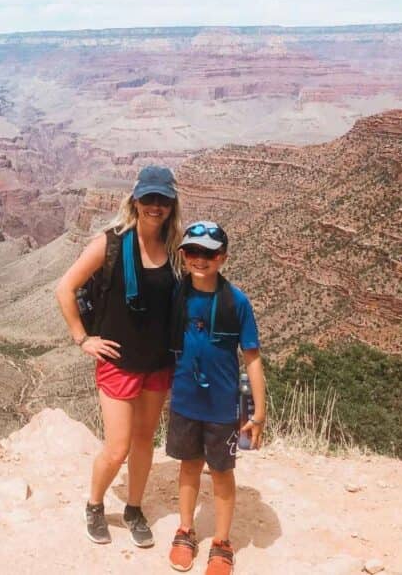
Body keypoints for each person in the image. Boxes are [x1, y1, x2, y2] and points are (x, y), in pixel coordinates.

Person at [54, 165, 184, 548]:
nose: (155, 206)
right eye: (149, 198)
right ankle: (95, 505)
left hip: (158, 363)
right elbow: (65, 288)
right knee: (117, 447)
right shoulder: (110, 243)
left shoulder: (176, 250)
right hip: (118, 362)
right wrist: (82, 338)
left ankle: (134, 508)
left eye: (162, 199)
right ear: (136, 200)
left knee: (145, 440)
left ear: (171, 204)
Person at [164, 221, 266, 575]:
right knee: (189, 465)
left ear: (222, 257)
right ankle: (185, 529)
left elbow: (252, 357)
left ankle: (221, 542)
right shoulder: (177, 295)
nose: (200, 259)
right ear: (183, 255)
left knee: (222, 472)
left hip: (222, 406)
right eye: (192, 252)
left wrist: (258, 412)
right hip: (185, 401)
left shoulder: (236, 302)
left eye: (208, 253)